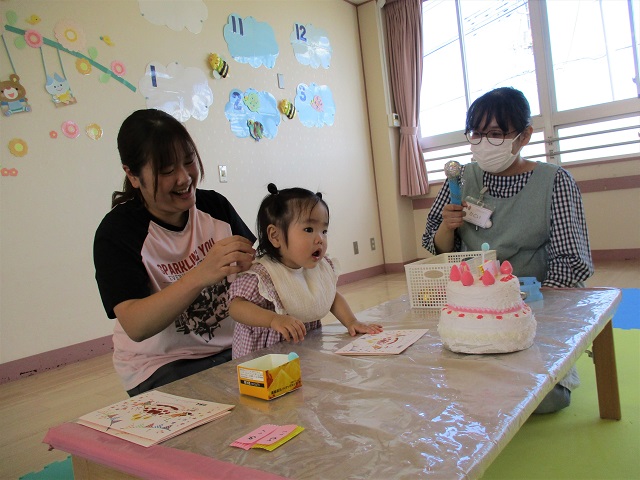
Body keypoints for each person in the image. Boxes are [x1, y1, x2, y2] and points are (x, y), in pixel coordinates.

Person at [422, 87, 594, 413]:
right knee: (440, 380)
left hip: (535, 305)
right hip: (475, 309)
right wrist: (447, 226)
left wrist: (526, 309)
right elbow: (439, 248)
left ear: (524, 136)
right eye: (476, 134)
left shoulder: (554, 182)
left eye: (496, 134)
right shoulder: (462, 179)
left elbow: (570, 261)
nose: (484, 143)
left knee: (544, 397)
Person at [93, 109, 256, 396]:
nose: (184, 178)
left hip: (235, 347)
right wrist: (201, 274)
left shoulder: (214, 207)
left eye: (189, 161)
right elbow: (136, 325)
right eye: (167, 171)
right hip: (161, 365)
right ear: (132, 175)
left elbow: (256, 271)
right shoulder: (118, 232)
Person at [228, 183, 383, 359]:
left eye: (324, 231)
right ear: (275, 236)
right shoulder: (264, 275)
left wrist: (351, 321)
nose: (320, 239)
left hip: (302, 351)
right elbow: (236, 307)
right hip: (263, 358)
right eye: (309, 230)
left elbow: (330, 296)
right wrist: (273, 319)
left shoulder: (317, 268)